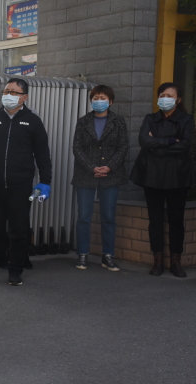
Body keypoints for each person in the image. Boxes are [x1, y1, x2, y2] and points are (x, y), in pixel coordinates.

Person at [0, 77, 52, 286]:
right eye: (6, 91)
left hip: (20, 186)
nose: (8, 95)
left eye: (13, 92)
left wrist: (45, 181)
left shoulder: (32, 121)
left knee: (19, 230)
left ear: (24, 97)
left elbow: (42, 153)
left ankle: (15, 271)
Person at [129, 82, 195, 278]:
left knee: (176, 220)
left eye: (169, 95)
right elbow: (143, 141)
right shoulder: (150, 118)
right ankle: (157, 260)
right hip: (152, 175)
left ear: (178, 100)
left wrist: (155, 144)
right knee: (155, 220)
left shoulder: (186, 119)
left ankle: (176, 261)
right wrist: (170, 141)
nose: (165, 99)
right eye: (162, 95)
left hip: (177, 175)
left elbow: (185, 145)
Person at [71, 85, 129, 271]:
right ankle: (82, 254)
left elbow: (123, 147)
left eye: (102, 98)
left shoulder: (118, 121)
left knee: (108, 217)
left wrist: (109, 167)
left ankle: (108, 255)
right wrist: (92, 167)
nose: (98, 101)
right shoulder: (83, 121)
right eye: (95, 98)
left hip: (111, 175)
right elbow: (77, 148)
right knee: (84, 217)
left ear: (110, 101)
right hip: (85, 174)